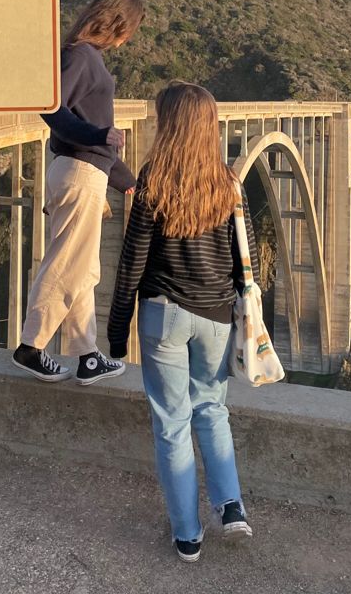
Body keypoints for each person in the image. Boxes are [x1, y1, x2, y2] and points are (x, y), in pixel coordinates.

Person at [107, 81, 259, 562]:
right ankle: (230, 506)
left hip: (164, 315)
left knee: (172, 424)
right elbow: (245, 253)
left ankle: (188, 535)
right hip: (215, 316)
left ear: (169, 124)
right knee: (213, 410)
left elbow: (132, 258)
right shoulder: (228, 180)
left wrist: (116, 328)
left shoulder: (154, 179)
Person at [13, 0, 144, 385]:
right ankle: (30, 347)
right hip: (78, 173)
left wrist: (127, 182)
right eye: (130, 29)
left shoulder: (87, 56)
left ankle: (88, 356)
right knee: (67, 263)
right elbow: (51, 107)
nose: (128, 40)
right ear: (118, 22)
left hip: (86, 172)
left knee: (82, 269)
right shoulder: (81, 56)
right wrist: (96, 135)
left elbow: (95, 141)